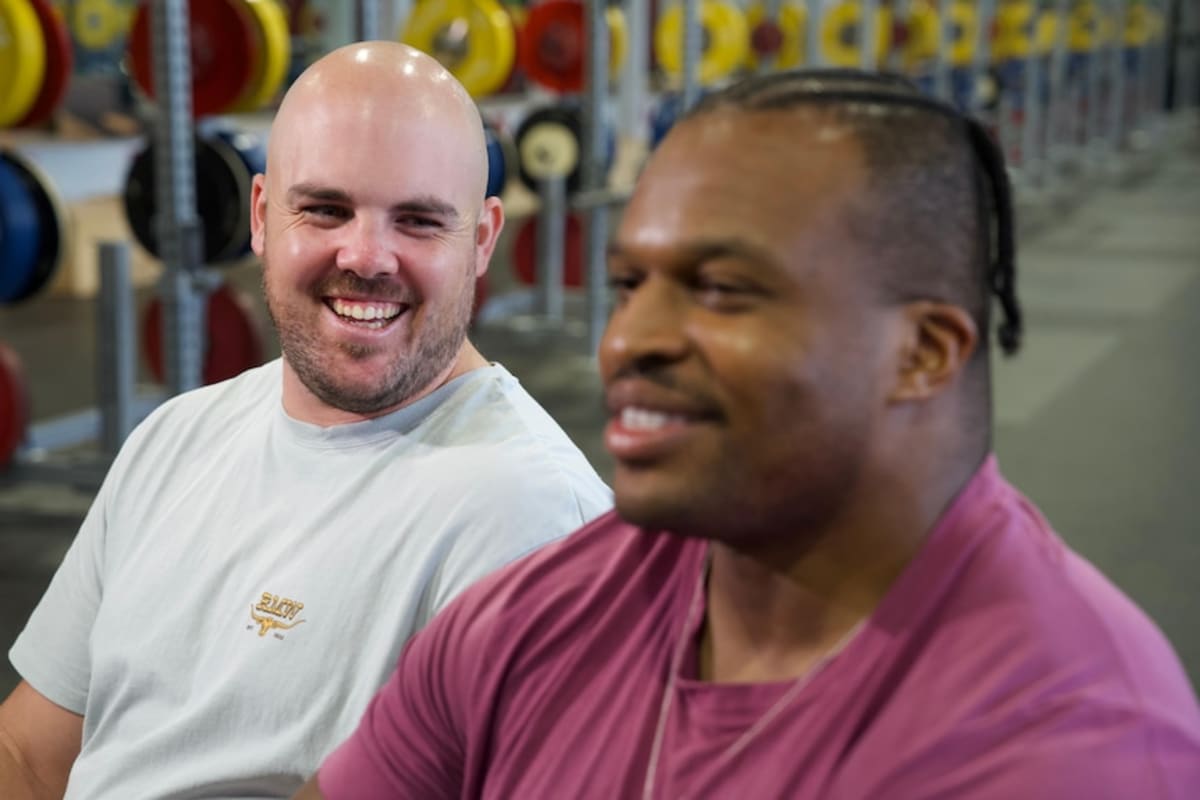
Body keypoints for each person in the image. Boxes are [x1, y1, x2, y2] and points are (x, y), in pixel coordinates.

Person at [300, 70, 1200, 799]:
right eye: (630, 286)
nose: (627, 344)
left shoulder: (1071, 741)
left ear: (924, 352)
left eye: (722, 290)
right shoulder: (543, 613)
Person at [0, 42, 611, 798]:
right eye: (325, 209)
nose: (366, 255)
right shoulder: (175, 437)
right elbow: (29, 754)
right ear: (261, 216)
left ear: (482, 240)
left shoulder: (537, 522)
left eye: (418, 221)